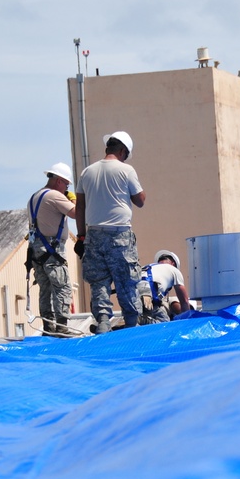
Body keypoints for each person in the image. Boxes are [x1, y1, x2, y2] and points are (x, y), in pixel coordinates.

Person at [74, 131, 146, 334]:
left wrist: (81, 236)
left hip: (93, 235)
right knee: (126, 280)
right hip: (120, 235)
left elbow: (80, 206)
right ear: (123, 151)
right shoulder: (126, 170)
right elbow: (140, 201)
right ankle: (132, 325)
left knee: (99, 282)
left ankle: (103, 323)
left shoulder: (87, 172)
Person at [27, 162, 77, 334]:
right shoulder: (55, 196)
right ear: (59, 181)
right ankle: (62, 327)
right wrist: (73, 199)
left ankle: (48, 327)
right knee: (62, 286)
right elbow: (76, 213)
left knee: (45, 289)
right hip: (53, 250)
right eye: (66, 184)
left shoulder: (34, 197)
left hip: (37, 250)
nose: (66, 188)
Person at [137, 249, 191, 324]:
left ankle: (136, 320)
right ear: (173, 263)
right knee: (164, 322)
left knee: (135, 319)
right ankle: (142, 320)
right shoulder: (175, 271)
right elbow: (184, 301)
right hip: (150, 289)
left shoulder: (148, 267)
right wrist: (187, 323)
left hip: (133, 289)